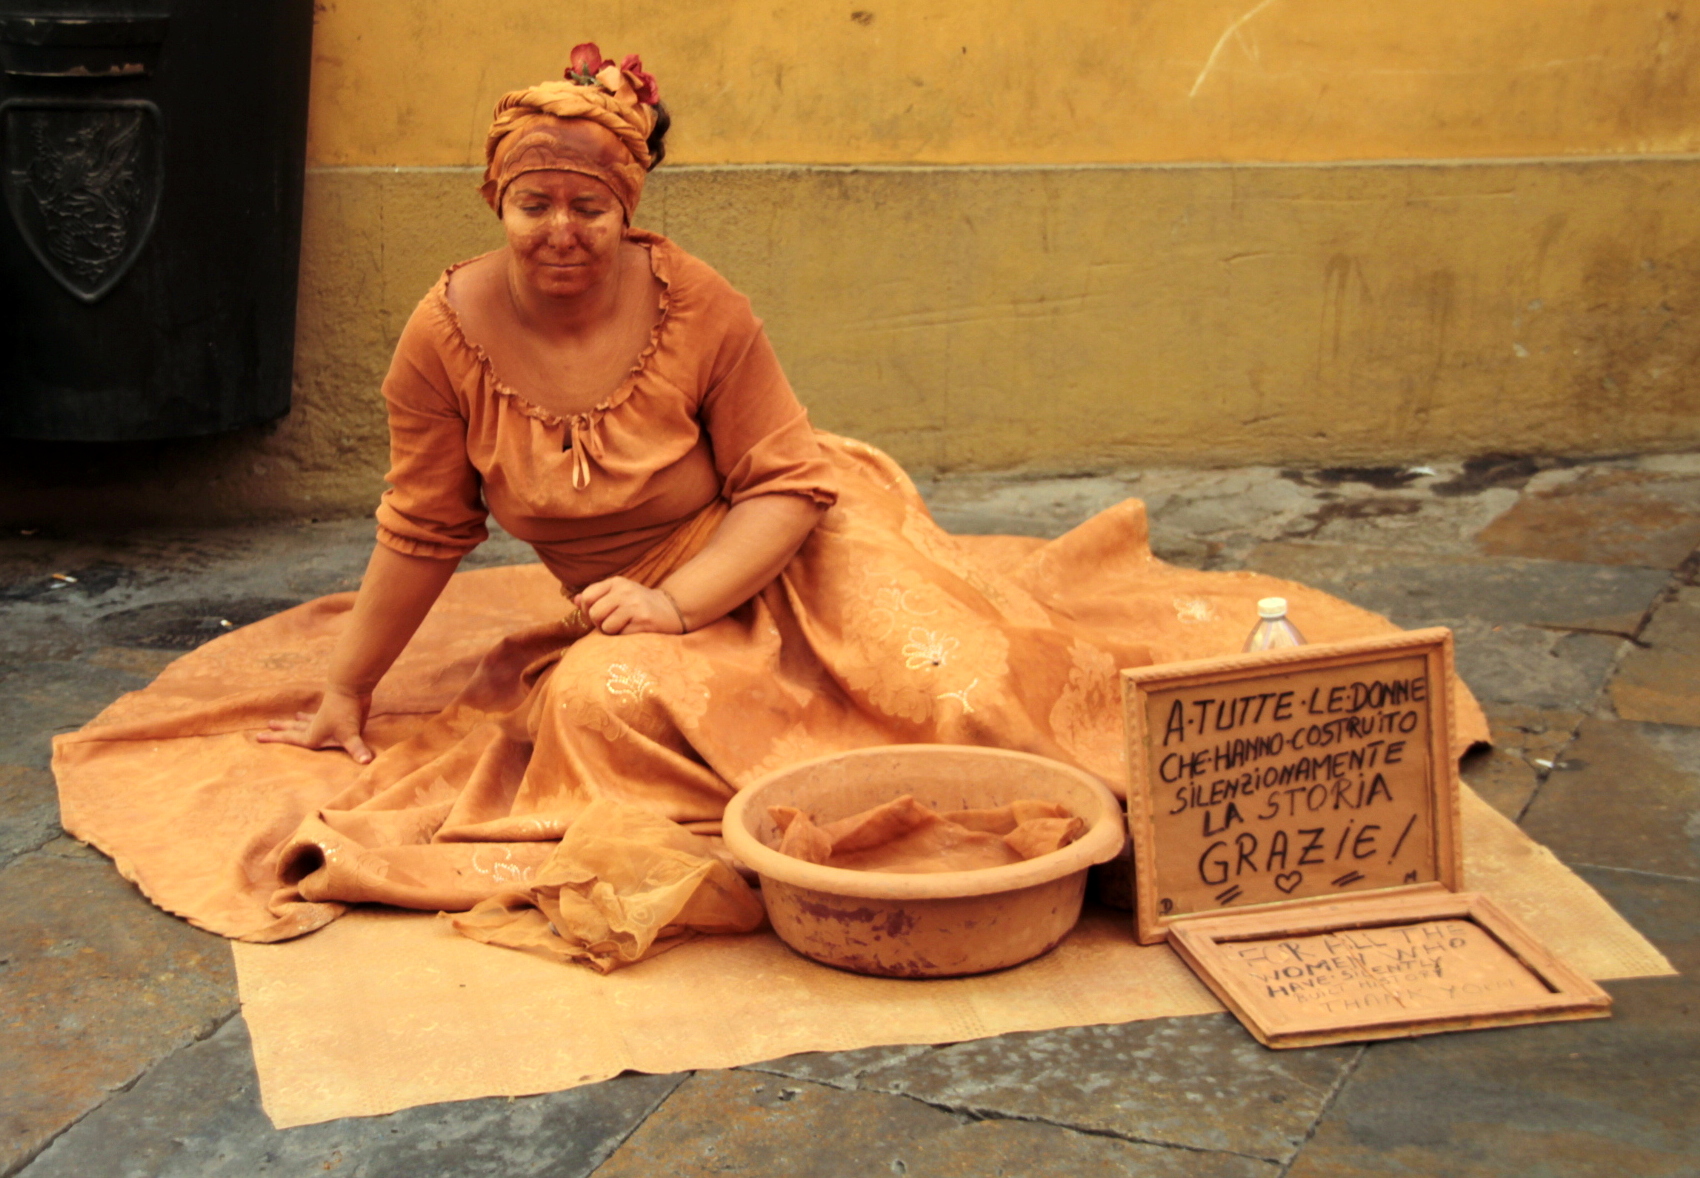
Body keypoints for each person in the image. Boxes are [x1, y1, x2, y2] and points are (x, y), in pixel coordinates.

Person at [53, 47, 1487, 969]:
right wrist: (347, 688)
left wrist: (686, 592)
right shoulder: (443, 339)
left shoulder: (702, 305)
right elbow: (425, 527)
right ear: (495, 199)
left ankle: (1160, 823)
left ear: (629, 207)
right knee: (591, 711)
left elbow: (791, 483)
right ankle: (888, 827)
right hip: (640, 607)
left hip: (792, 536)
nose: (562, 231)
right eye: (533, 203)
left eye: (590, 206)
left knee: (950, 669)